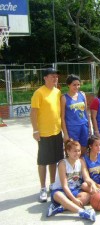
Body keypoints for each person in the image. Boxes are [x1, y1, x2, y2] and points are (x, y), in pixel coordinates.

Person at [30, 68, 64, 202]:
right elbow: (33, 113)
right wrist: (35, 130)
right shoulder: (38, 93)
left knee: (54, 160)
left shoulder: (57, 92)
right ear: (45, 78)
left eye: (56, 76)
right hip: (44, 133)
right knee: (43, 161)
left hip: (57, 131)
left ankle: (52, 184)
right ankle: (43, 188)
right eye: (52, 76)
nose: (55, 78)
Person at [47, 140, 97, 221]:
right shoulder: (62, 164)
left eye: (79, 150)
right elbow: (64, 186)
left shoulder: (81, 161)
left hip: (74, 190)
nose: (77, 153)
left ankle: (61, 208)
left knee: (87, 196)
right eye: (75, 151)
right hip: (61, 190)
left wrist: (93, 185)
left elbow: (87, 178)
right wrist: (74, 200)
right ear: (68, 151)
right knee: (58, 195)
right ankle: (83, 213)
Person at [61, 74, 90, 155]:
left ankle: (82, 166)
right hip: (72, 128)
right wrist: (66, 134)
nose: (76, 87)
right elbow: (62, 117)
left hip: (84, 126)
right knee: (72, 150)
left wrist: (89, 127)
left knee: (84, 148)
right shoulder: (64, 98)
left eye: (78, 84)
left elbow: (86, 112)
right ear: (68, 85)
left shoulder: (82, 94)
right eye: (74, 85)